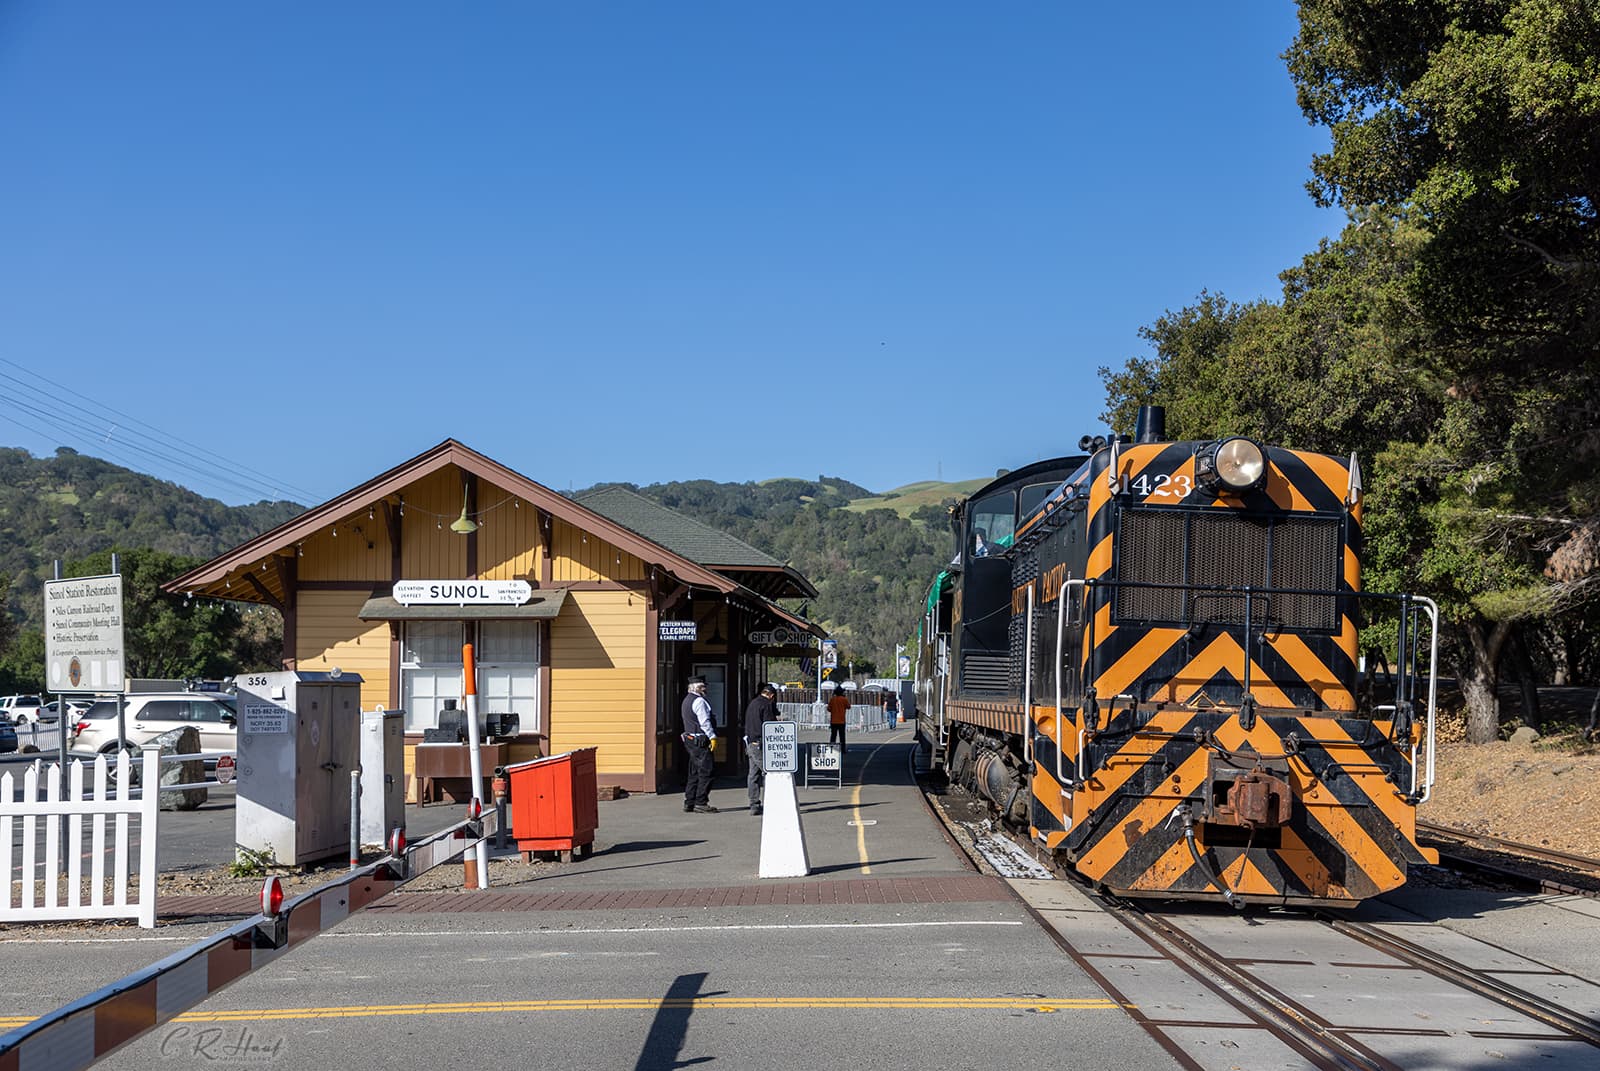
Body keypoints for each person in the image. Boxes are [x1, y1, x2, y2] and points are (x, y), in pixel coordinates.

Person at [680, 676, 718, 813]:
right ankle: (701, 802)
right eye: (703, 687)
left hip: (690, 740)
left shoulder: (686, 700)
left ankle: (689, 801)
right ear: (697, 687)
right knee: (706, 771)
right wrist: (712, 737)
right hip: (700, 740)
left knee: (694, 772)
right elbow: (704, 722)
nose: (705, 689)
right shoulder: (699, 701)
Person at [743, 683, 779, 816]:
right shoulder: (766, 704)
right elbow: (770, 724)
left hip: (750, 742)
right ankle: (773, 801)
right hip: (760, 742)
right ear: (771, 695)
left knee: (753, 775)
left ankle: (754, 804)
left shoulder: (753, 703)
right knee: (770, 771)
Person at [827, 684, 850, 755]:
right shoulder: (844, 699)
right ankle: (843, 750)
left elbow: (829, 709)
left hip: (833, 720)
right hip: (841, 721)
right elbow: (848, 707)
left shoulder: (832, 699)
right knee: (842, 736)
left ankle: (831, 749)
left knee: (833, 736)